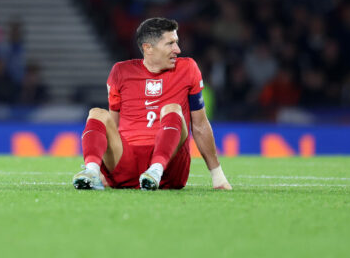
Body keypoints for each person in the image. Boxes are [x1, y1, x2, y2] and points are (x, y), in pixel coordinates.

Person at [72, 17, 232, 191]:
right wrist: (106, 168)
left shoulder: (188, 69)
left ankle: (155, 170)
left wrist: (218, 176)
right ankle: (92, 172)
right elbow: (113, 125)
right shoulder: (120, 71)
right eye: (170, 43)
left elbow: (200, 125)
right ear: (148, 48)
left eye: (176, 42)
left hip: (169, 170)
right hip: (127, 164)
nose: (177, 50)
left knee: (172, 109)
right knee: (97, 113)